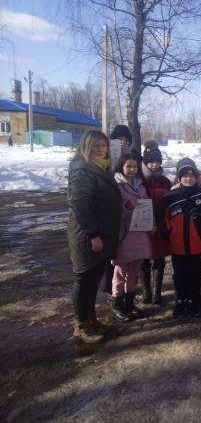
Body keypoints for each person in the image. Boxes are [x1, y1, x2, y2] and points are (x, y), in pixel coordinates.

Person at [67, 130, 121, 343]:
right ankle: (81, 325)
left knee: (94, 278)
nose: (101, 149)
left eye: (103, 145)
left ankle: (91, 319)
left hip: (100, 234)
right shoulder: (82, 170)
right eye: (96, 146)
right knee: (84, 279)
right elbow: (79, 205)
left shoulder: (100, 168)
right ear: (86, 147)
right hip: (87, 235)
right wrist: (93, 235)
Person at [157, 160, 201, 318]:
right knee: (179, 274)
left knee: (195, 275)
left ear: (196, 178)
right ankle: (180, 300)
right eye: (184, 176)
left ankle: (192, 301)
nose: (188, 179)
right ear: (179, 178)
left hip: (198, 244)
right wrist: (168, 234)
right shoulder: (170, 196)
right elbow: (161, 218)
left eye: (191, 176)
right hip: (177, 244)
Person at [110, 153, 153, 322]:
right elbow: (112, 211)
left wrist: (152, 224)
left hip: (140, 234)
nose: (132, 170)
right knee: (120, 272)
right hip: (123, 235)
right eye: (128, 166)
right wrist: (128, 206)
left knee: (134, 272)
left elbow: (148, 207)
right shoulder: (116, 185)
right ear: (122, 166)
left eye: (135, 167)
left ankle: (129, 304)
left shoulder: (141, 186)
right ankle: (116, 305)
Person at [140, 141, 172, 304]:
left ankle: (157, 291)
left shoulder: (165, 181)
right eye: (151, 162)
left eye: (157, 162)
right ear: (145, 162)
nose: (154, 165)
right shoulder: (140, 180)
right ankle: (146, 292)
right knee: (144, 258)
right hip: (143, 224)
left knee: (159, 258)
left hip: (160, 224)